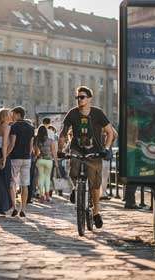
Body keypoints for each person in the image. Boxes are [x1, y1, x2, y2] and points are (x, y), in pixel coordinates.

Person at [58, 86, 114, 229]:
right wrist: (60, 149)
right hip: (77, 148)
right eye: (77, 97)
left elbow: (110, 132)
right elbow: (63, 133)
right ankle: (77, 189)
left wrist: (106, 149)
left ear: (89, 98)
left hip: (95, 151)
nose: (79, 100)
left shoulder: (98, 113)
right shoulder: (72, 113)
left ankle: (96, 212)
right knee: (73, 171)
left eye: (82, 97)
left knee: (95, 185)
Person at [7, 106, 35, 217]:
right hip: (26, 158)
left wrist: (5, 155)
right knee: (25, 184)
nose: (12, 116)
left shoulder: (14, 127)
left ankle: (14, 207)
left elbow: (12, 144)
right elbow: (31, 145)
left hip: (15, 158)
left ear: (18, 114)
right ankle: (23, 209)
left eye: (13, 114)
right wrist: (29, 156)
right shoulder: (31, 127)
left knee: (12, 183)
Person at [34, 125, 59, 202]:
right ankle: (47, 196)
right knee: (47, 178)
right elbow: (54, 152)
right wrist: (56, 162)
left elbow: (36, 152)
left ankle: (41, 196)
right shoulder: (50, 140)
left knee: (41, 178)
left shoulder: (37, 140)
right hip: (49, 161)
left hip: (40, 160)